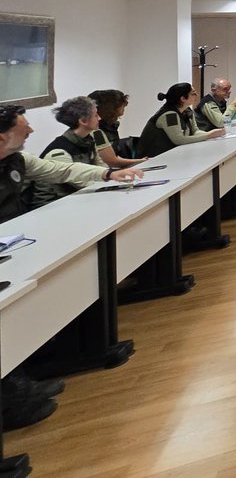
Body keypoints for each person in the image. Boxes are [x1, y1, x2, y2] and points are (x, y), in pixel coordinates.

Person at [0, 104, 142, 429]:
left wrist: (107, 173)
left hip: (14, 243)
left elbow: (62, 172)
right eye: (24, 127)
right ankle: (12, 396)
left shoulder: (18, 159)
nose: (32, 132)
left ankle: (22, 378)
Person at [31, 96, 146, 207]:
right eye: (96, 115)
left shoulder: (91, 138)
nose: (99, 118)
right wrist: (113, 181)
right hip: (53, 204)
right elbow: (83, 179)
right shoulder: (59, 151)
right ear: (83, 121)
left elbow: (102, 165)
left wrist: (112, 179)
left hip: (77, 197)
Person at [138, 82, 225, 158]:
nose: (196, 95)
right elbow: (179, 140)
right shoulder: (169, 115)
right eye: (193, 93)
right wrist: (208, 135)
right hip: (154, 157)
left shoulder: (187, 110)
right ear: (183, 98)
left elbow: (195, 131)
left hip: (172, 154)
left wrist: (214, 134)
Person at [89, 88, 133, 156]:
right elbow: (108, 160)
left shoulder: (110, 125)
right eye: (122, 106)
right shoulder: (96, 131)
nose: (123, 108)